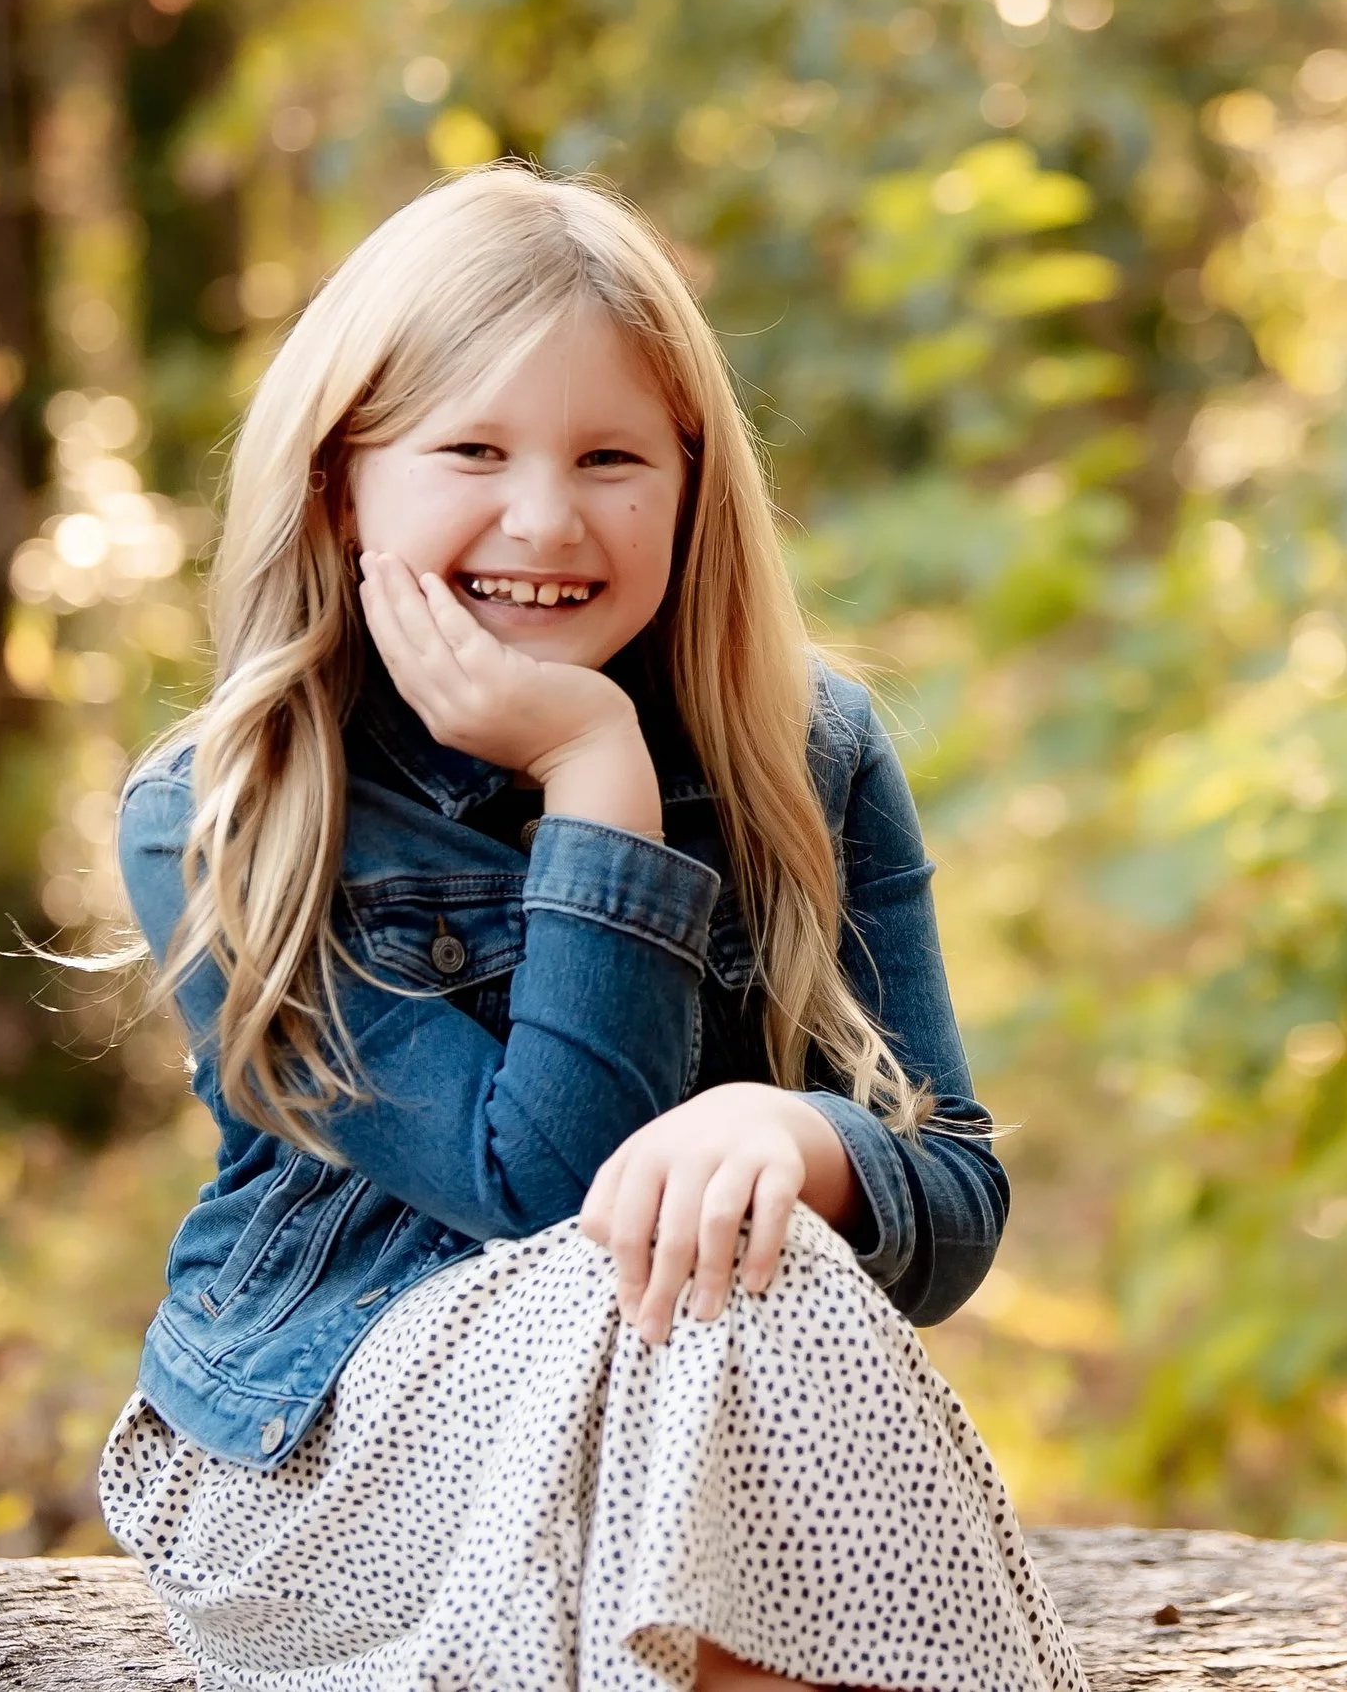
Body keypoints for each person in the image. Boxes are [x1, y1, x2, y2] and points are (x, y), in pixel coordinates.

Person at [94, 161, 1089, 1692]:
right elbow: (549, 1192)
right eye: (471, 448)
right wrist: (593, 768)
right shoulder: (234, 810)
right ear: (342, 480)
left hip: (689, 1427)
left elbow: (952, 1198)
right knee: (713, 1280)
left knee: (751, 1261)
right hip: (320, 1473)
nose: (546, 518)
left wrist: (795, 1133)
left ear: (692, 481)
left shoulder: (807, 751)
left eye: (612, 456)